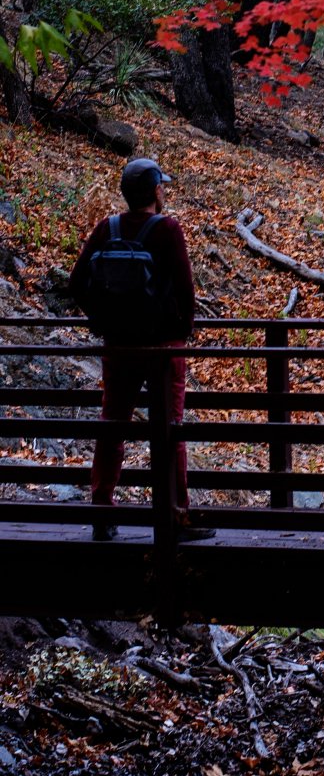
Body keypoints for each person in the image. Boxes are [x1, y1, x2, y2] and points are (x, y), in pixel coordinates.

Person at [67, 158, 213, 542]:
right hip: (162, 349)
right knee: (170, 429)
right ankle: (175, 515)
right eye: (162, 186)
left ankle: (102, 510)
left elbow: (76, 282)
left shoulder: (107, 228)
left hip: (119, 346)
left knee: (112, 425)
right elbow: (185, 289)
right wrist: (181, 333)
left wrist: (102, 320)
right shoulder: (167, 229)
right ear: (156, 191)